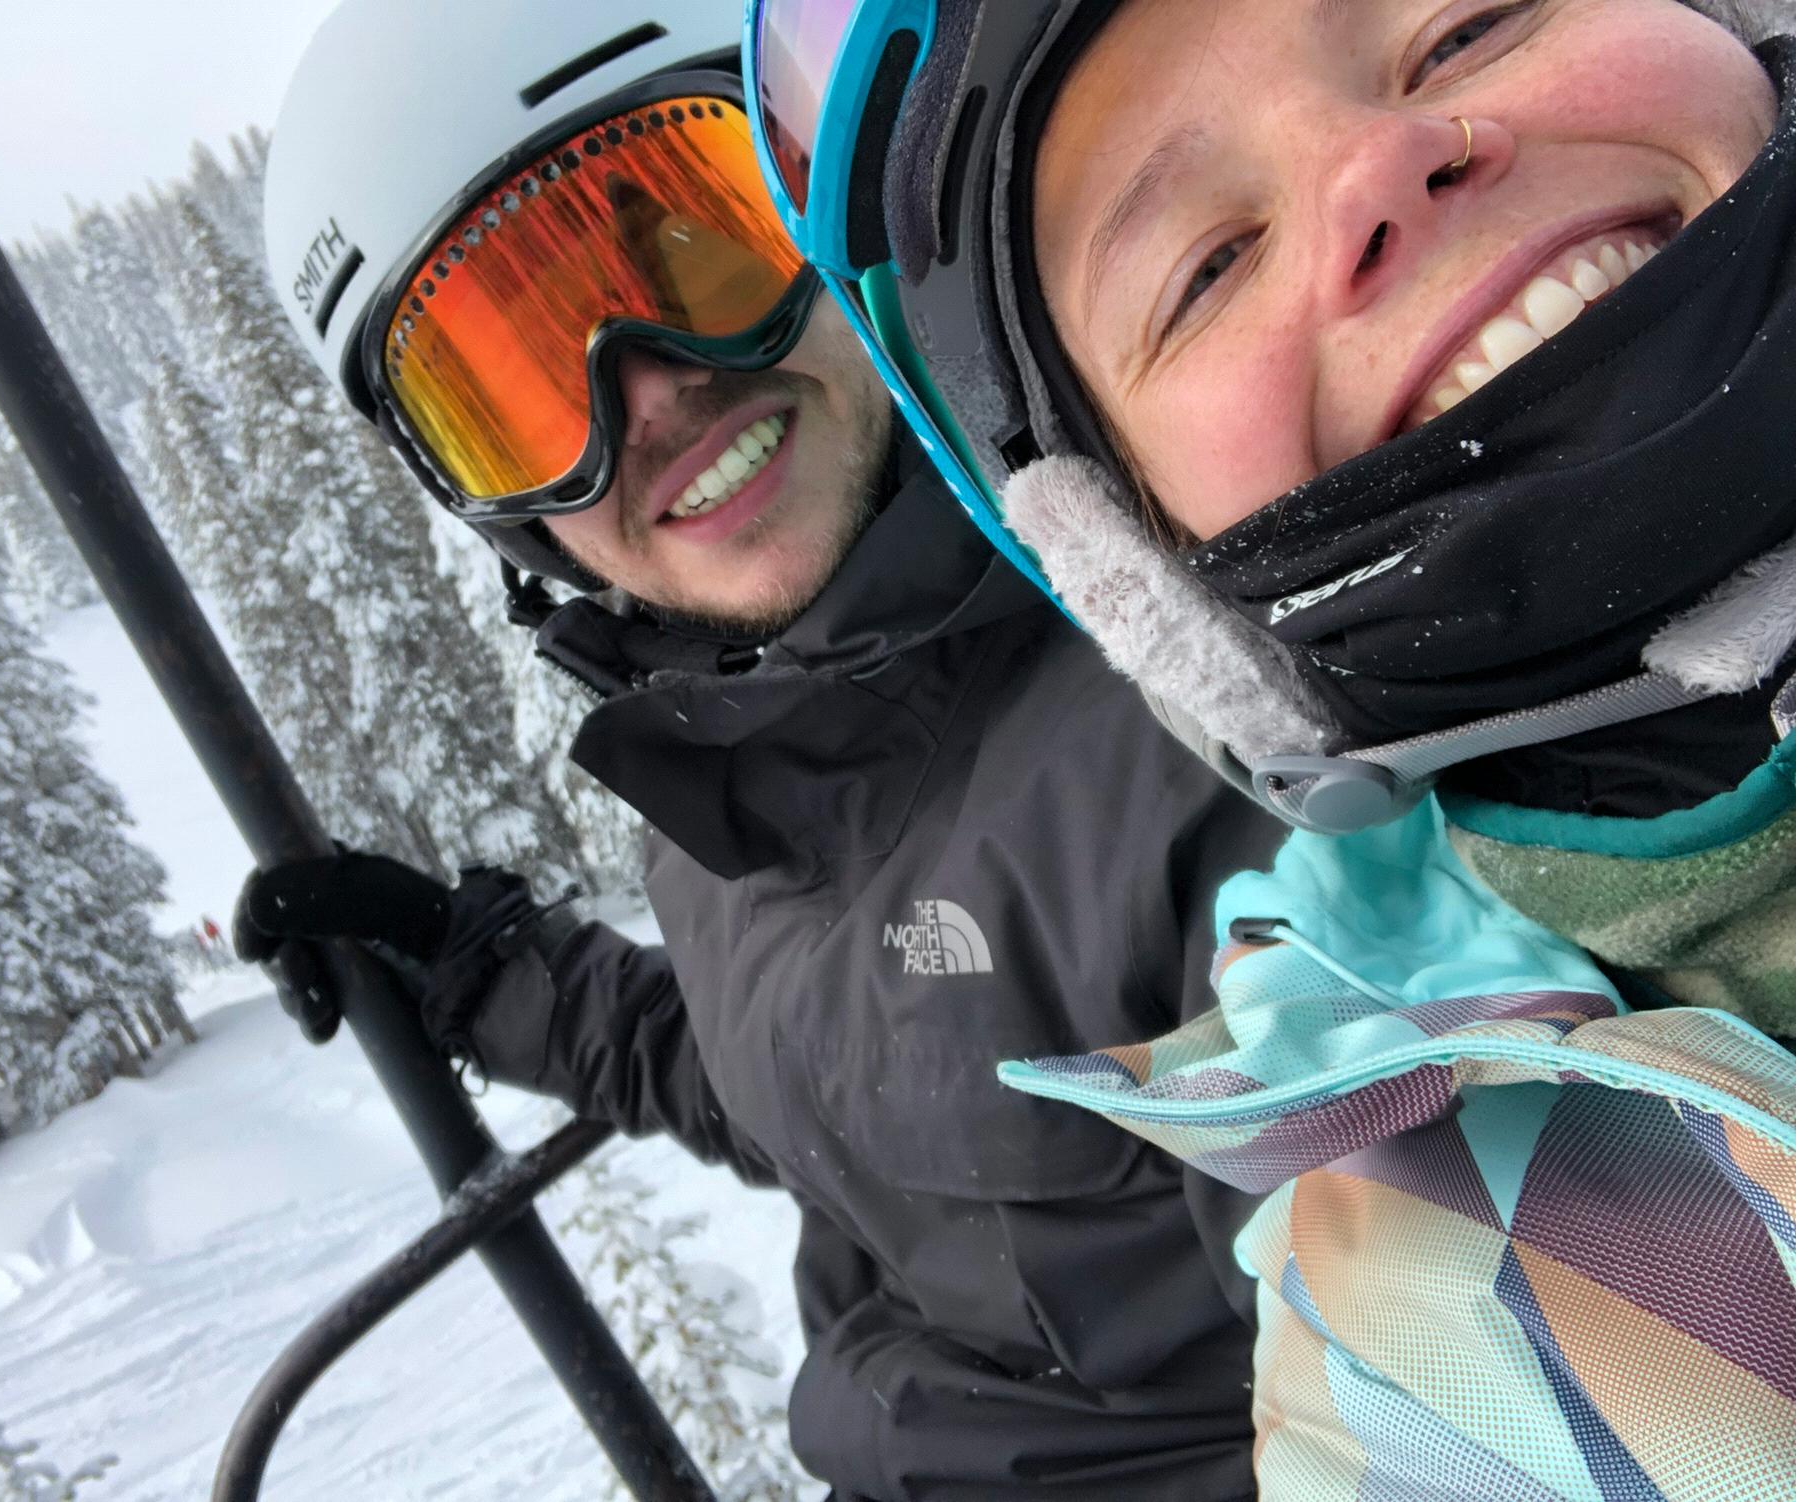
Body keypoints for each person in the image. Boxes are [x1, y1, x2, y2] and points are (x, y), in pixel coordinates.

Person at [240, 2, 1286, 1496]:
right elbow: (813, 1076)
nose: (653, 393)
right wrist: (484, 972)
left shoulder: (1207, 734)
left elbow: (1445, 1382)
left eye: (692, 243)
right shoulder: (734, 774)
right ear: (498, 510)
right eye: (531, 385)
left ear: (820, 194)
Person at [754, 0, 1796, 1495]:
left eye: (1468, 25)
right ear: (1145, 571)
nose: (1379, 167)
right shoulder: (1427, 1331)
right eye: (1207, 266)